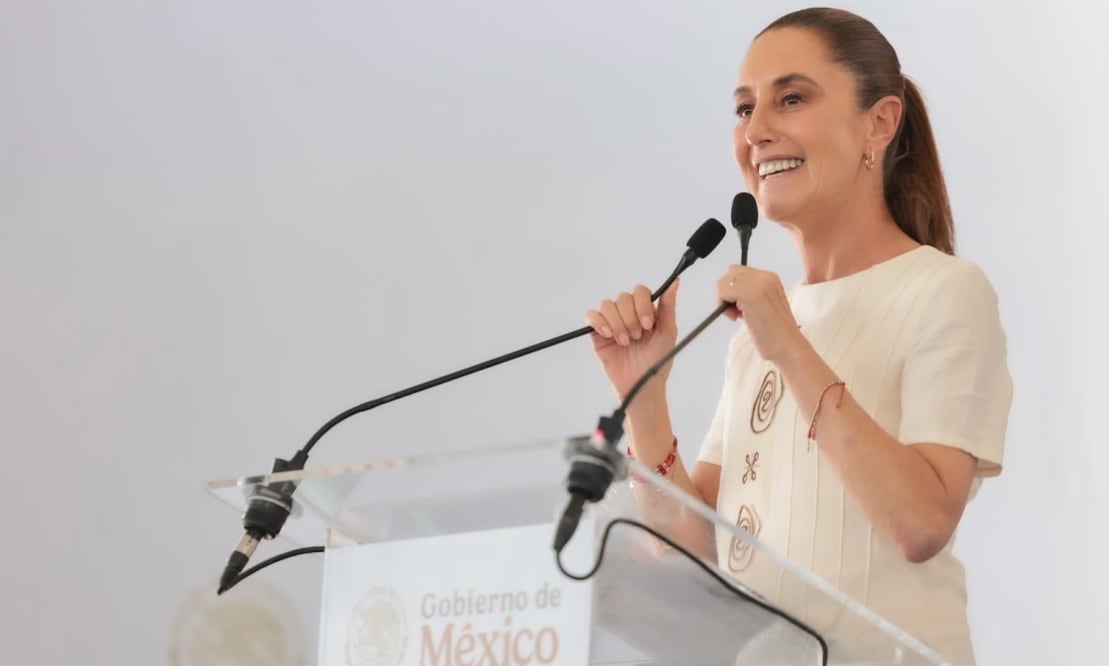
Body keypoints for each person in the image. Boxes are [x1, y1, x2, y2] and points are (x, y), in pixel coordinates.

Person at [584, 7, 1012, 665]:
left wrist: (787, 345)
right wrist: (642, 391)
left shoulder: (942, 291)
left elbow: (921, 523)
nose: (755, 131)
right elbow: (685, 547)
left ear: (878, 123)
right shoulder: (759, 329)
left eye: (789, 99)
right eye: (742, 108)